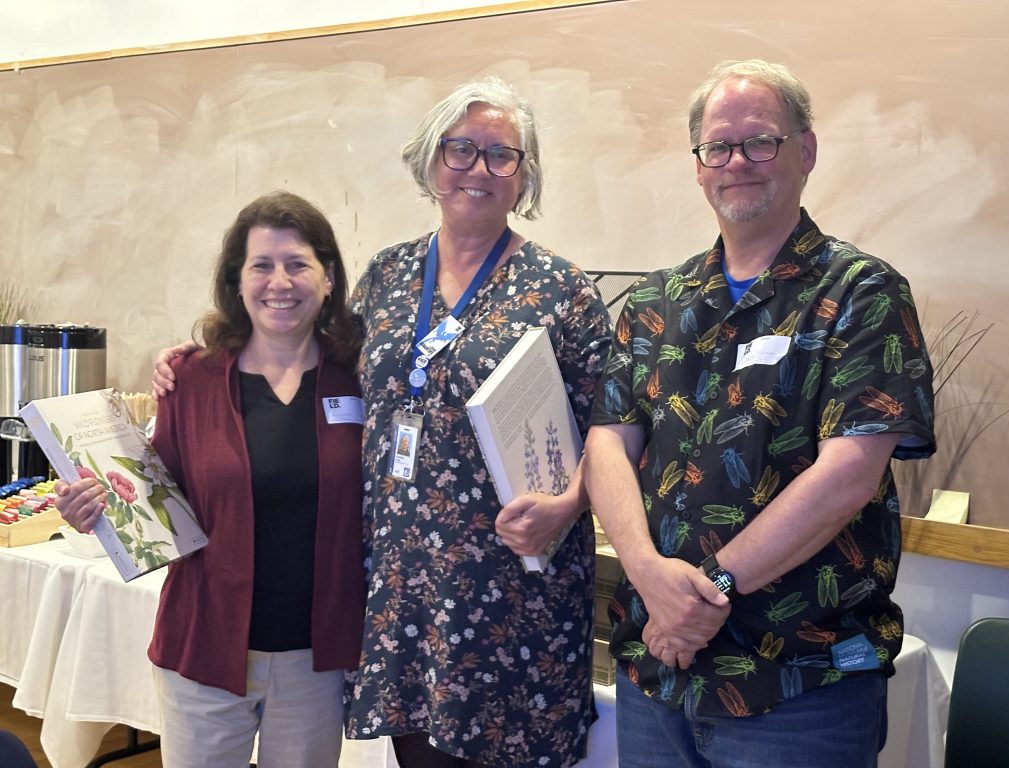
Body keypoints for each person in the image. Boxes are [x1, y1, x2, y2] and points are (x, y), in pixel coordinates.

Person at [153, 79, 611, 767]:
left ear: (526, 175)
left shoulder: (563, 289)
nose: (477, 169)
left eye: (500, 155)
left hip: (514, 590)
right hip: (403, 594)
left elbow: (614, 426)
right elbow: (302, 352)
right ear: (430, 163)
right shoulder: (389, 277)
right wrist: (197, 357)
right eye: (459, 150)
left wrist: (571, 502)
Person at [584, 59, 936, 768]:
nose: (738, 161)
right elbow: (606, 446)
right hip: (659, 678)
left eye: (761, 141)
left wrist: (707, 591)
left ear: (805, 151)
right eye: (719, 146)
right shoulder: (657, 302)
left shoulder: (861, 293)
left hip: (800, 687)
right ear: (699, 166)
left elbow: (848, 477)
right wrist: (650, 575)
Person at [58, 191, 365, 767]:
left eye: (298, 264)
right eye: (262, 265)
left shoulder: (362, 377)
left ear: (328, 279)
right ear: (237, 280)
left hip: (315, 658)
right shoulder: (189, 380)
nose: (281, 281)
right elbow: (152, 502)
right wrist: (94, 508)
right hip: (203, 646)